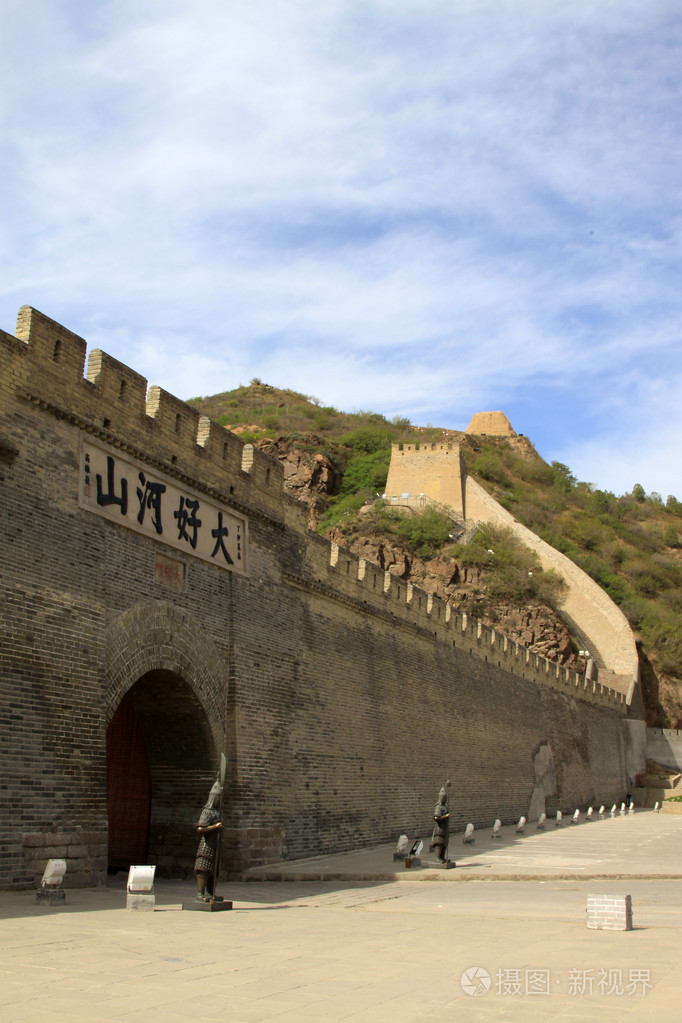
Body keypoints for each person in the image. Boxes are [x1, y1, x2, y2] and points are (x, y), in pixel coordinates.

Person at [194, 777, 223, 901]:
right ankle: (200, 894)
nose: (219, 800)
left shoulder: (218, 812)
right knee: (203, 868)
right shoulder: (207, 812)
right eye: (218, 798)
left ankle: (211, 893)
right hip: (207, 844)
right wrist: (214, 827)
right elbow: (200, 828)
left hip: (216, 843)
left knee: (214, 870)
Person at [430, 779, 451, 862]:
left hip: (444, 827)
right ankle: (438, 858)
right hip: (439, 828)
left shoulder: (444, 806)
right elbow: (436, 817)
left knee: (444, 842)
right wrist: (445, 816)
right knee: (439, 842)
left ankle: (442, 857)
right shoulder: (438, 807)